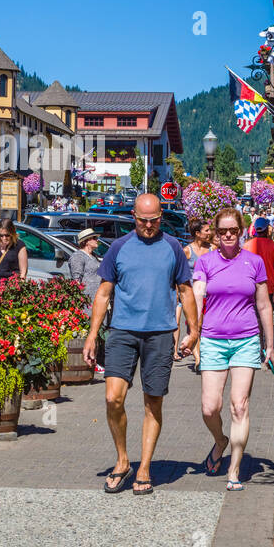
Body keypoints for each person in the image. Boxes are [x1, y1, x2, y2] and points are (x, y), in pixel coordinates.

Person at [86, 194, 197, 496]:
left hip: (160, 333)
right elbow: (103, 292)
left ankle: (144, 467)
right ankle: (123, 460)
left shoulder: (173, 247)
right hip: (122, 331)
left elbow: (185, 290)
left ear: (161, 217)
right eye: (143, 220)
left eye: (154, 220)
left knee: (153, 401)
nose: (148, 226)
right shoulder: (119, 248)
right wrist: (93, 333)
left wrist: (193, 329)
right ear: (133, 216)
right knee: (113, 398)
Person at [192, 207, 274, 492]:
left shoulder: (254, 262)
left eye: (233, 230)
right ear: (215, 234)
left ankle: (234, 468)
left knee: (239, 406)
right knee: (209, 408)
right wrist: (193, 334)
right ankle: (220, 440)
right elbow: (198, 295)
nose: (228, 235)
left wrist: (271, 344)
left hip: (246, 340)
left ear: (241, 232)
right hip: (213, 341)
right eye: (222, 231)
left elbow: (264, 305)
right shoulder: (205, 263)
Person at [176, 218, 214, 364]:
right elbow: (180, 275)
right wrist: (179, 293)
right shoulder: (187, 251)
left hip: (210, 294)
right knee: (195, 324)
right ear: (197, 233)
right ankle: (198, 357)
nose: (209, 233)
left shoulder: (212, 249)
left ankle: (204, 351)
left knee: (206, 325)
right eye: (206, 231)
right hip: (193, 295)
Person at [243, 217, 274, 308]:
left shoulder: (247, 246)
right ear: (267, 229)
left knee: (254, 319)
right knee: (267, 318)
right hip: (269, 288)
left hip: (251, 288)